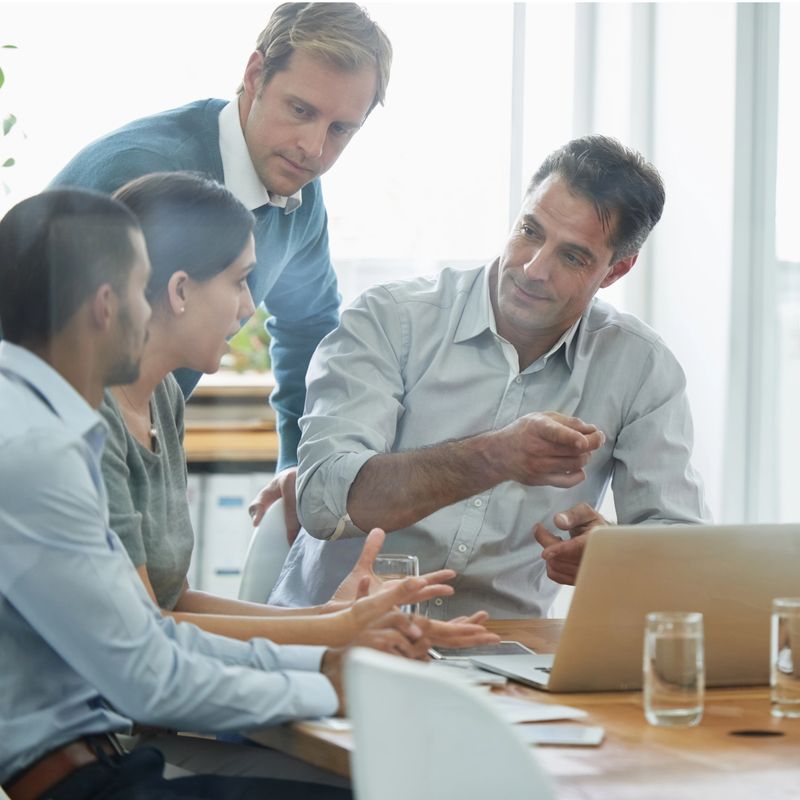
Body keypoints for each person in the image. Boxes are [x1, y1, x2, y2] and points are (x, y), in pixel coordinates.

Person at [0, 188, 433, 799]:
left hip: (100, 760)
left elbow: (150, 637)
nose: (148, 310)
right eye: (138, 288)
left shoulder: (41, 423)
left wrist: (325, 658)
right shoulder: (33, 450)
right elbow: (146, 675)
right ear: (105, 306)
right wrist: (332, 682)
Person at [268, 135, 712, 619]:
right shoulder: (389, 319)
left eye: (573, 256)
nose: (533, 268)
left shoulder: (640, 367)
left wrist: (616, 555)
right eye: (531, 230)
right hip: (333, 641)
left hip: (503, 658)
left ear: (615, 271)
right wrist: (495, 456)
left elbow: (681, 544)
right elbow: (324, 501)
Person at [102, 170, 497, 651]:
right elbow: (145, 633)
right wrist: (330, 633)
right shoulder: (93, 417)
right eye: (240, 282)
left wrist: (330, 618)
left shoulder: (162, 396)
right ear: (180, 291)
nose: (249, 308)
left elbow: (174, 599)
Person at [49, 2, 393, 537]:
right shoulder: (142, 174)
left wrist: (296, 466)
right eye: (300, 110)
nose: (314, 148)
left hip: (136, 445)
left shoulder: (300, 193)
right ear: (255, 76)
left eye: (341, 129)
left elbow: (308, 330)